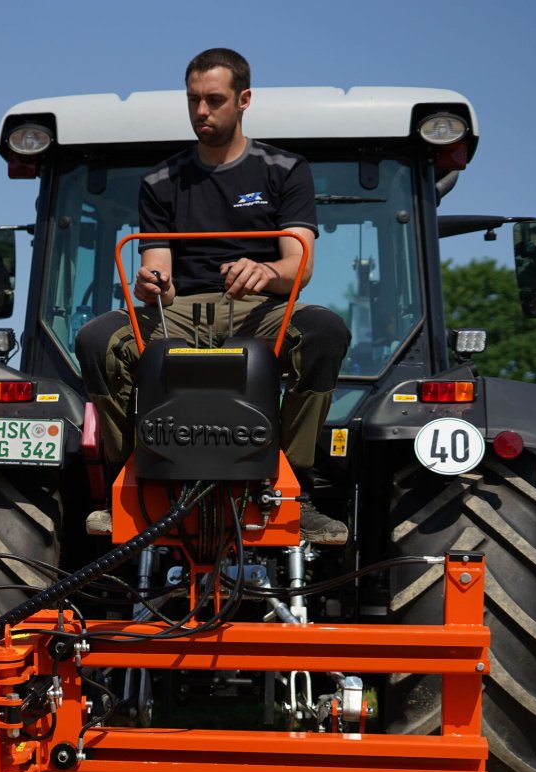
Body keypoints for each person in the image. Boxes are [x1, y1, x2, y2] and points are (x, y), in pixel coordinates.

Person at [75, 47, 351, 544]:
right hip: (181, 309)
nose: (201, 112)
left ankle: (295, 483)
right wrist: (150, 283)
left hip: (258, 307)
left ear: (243, 100)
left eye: (214, 100)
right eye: (194, 100)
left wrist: (265, 270)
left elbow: (299, 267)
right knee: (100, 340)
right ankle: (125, 482)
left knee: (324, 331)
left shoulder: (284, 170)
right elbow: (155, 266)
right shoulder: (161, 181)